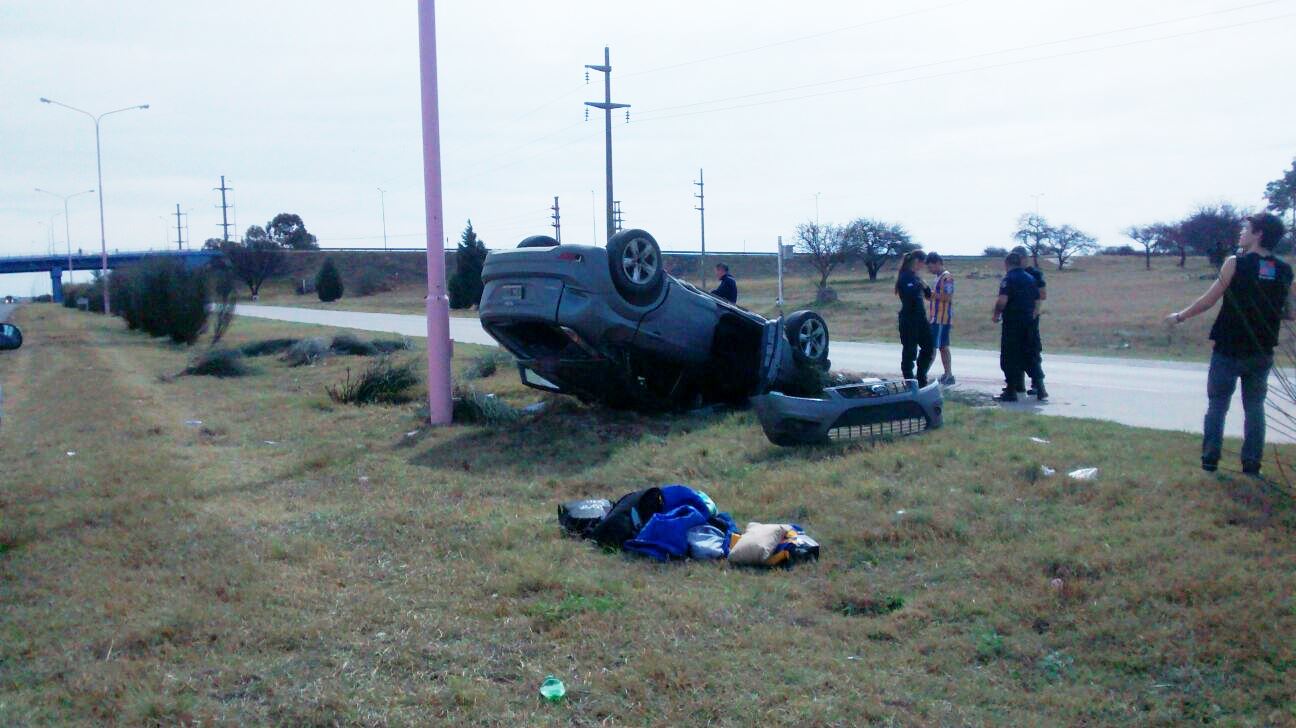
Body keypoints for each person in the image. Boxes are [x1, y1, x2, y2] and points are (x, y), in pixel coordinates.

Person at [1165, 212, 1292, 475]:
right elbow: (1290, 312)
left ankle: (1210, 461)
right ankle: (1252, 466)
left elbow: (1209, 300)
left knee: (1217, 406)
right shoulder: (1284, 269)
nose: (1241, 233)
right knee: (1255, 408)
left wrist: (1180, 316)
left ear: (1258, 234)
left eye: (1247, 229)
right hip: (1262, 350)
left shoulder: (1235, 262)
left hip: (1228, 348)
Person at [993, 252, 1040, 402]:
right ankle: (1040, 387)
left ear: (1007, 264)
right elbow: (1037, 299)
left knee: (1009, 356)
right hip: (1029, 322)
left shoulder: (1008, 279)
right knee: (1029, 354)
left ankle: (1011, 390)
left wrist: (996, 314)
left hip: (1013, 323)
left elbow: (1002, 301)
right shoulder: (1030, 278)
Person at [1012, 246, 1048, 399]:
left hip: (1030, 317)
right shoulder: (1014, 274)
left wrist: (1034, 310)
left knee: (1032, 350)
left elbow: (1042, 295)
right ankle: (1019, 385)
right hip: (1017, 318)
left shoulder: (1034, 274)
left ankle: (1038, 385)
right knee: (1016, 351)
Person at [895, 250, 934, 387]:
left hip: (920, 319)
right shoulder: (905, 277)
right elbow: (909, 294)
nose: (923, 267)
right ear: (917, 261)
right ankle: (910, 382)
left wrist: (925, 286)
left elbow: (929, 295)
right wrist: (918, 285)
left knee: (929, 347)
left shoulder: (916, 277)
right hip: (909, 319)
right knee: (910, 352)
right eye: (922, 263)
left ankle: (921, 378)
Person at [925, 252, 956, 385]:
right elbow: (934, 297)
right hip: (935, 317)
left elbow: (947, 297)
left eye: (930, 266)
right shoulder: (937, 278)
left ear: (937, 263)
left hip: (941, 318)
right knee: (943, 346)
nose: (929, 269)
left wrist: (931, 294)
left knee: (932, 347)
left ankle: (922, 373)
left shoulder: (946, 277)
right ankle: (948, 374)